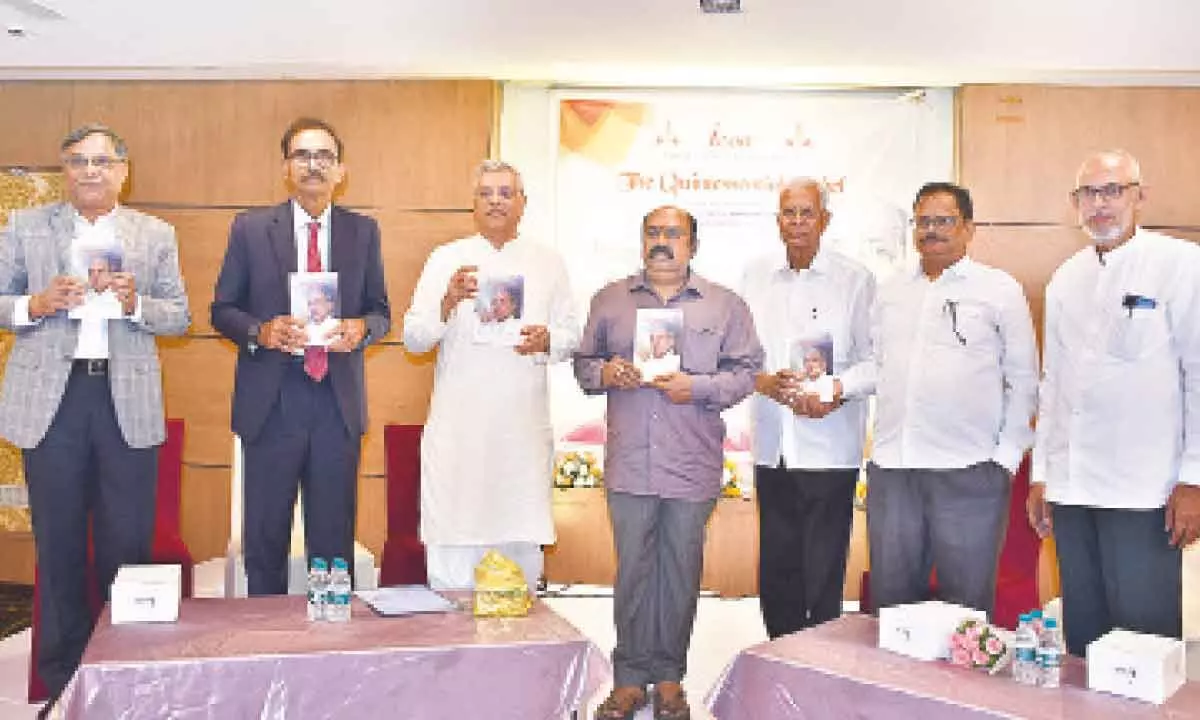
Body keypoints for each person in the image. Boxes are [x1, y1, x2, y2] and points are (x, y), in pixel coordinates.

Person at [0, 124, 190, 716]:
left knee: (126, 547)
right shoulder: (27, 227)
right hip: (51, 405)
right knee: (57, 547)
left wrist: (138, 305)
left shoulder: (154, 233)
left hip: (123, 401)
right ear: (64, 170)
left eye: (102, 161)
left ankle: (123, 679)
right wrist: (34, 304)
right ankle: (61, 685)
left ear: (123, 170)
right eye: (78, 161)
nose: (90, 171)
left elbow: (179, 316)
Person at [575, 205, 763, 720]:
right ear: (641, 240)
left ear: (693, 245)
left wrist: (696, 386)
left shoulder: (725, 305)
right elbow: (583, 365)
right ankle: (629, 679)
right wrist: (607, 371)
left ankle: (670, 678)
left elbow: (747, 372)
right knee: (633, 571)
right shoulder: (610, 300)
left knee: (680, 573)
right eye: (653, 232)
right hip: (630, 464)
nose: (663, 242)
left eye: (674, 233)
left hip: (691, 463)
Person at [1028, 150, 1200, 655]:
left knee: (1142, 646)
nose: (1100, 205)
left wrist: (1195, 478)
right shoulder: (1065, 277)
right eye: (1088, 194)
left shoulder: (1182, 265)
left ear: (1139, 196)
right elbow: (1054, 384)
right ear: (1074, 204)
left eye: (1113, 191)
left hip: (1144, 491)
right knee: (1084, 637)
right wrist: (1043, 473)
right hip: (1074, 488)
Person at [211, 117, 390, 596]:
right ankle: (266, 651)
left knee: (333, 546)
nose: (314, 165)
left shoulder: (363, 232)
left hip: (336, 404)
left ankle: (328, 652)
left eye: (324, 156)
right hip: (271, 404)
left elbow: (381, 312)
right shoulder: (249, 229)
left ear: (340, 170)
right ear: (286, 168)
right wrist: (261, 331)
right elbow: (222, 309)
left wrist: (361, 329)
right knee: (265, 543)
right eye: (302, 156)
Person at [404, 160, 578, 592]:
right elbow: (413, 338)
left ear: (523, 203)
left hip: (519, 433)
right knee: (454, 548)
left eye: (506, 193)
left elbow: (573, 334)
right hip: (460, 431)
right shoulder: (446, 259)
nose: (496, 201)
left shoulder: (548, 262)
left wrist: (547, 339)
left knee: (517, 548)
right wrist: (447, 301)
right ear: (473, 203)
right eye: (487, 193)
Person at [868, 182, 1038, 617]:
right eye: (923, 221)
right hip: (895, 468)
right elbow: (876, 366)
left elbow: (1024, 380)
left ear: (968, 228)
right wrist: (830, 388)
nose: (932, 231)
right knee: (894, 606)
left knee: (965, 609)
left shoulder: (999, 289)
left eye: (944, 221)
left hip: (969, 472)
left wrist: (1004, 460)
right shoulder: (890, 290)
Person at [741, 178, 876, 638]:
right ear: (777, 219)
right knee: (776, 571)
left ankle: (817, 672)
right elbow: (740, 358)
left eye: (807, 213)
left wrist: (836, 388)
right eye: (789, 213)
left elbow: (877, 362)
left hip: (828, 448)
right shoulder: (754, 275)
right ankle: (779, 665)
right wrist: (762, 381)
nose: (797, 222)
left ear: (825, 220)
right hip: (773, 446)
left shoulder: (855, 280)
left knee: (822, 575)